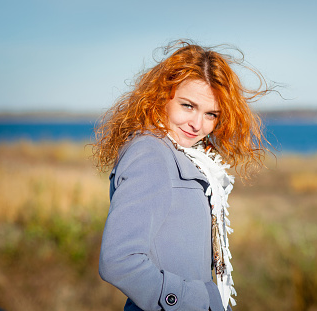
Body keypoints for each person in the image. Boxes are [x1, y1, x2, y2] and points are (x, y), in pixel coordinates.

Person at [92, 40, 273, 311]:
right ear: (162, 95)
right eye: (188, 106)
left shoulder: (183, 153)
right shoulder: (150, 152)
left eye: (211, 114)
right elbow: (119, 260)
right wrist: (193, 300)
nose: (197, 124)